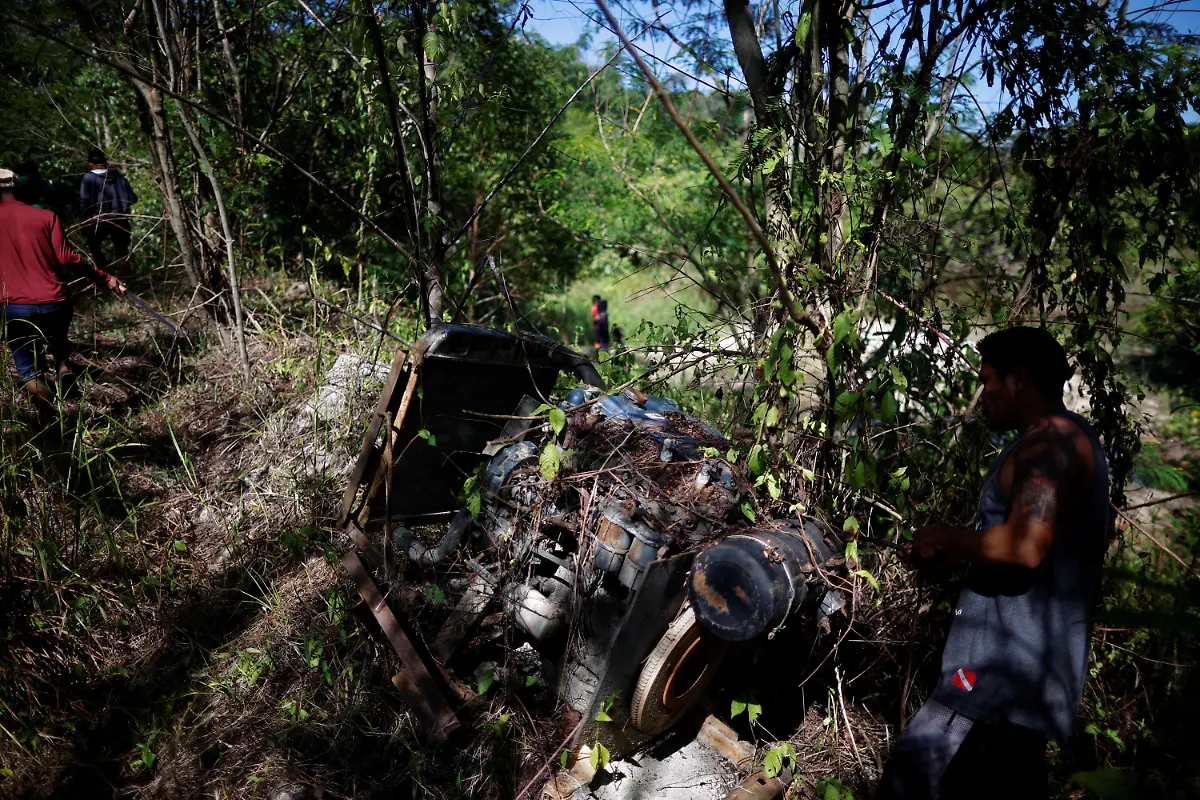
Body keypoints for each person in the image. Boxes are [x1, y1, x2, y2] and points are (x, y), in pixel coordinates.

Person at [877, 326, 1109, 800]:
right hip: (1023, 679)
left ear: (1019, 379)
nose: (982, 395)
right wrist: (950, 556)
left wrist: (947, 537)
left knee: (910, 782)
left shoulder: (1050, 443)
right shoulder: (1061, 439)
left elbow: (1026, 546)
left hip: (997, 676)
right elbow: (1026, 552)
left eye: (987, 381)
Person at [1, 167, 119, 413]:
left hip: (14, 307)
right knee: (59, 349)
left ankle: (51, 425)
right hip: (55, 301)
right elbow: (66, 258)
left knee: (30, 370)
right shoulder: (46, 217)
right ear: (18, 187)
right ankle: (67, 383)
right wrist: (103, 277)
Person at [79, 148, 137, 271]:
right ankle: (127, 279)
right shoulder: (118, 177)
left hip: (99, 220)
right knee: (122, 251)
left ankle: (105, 276)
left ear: (90, 164)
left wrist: (85, 220)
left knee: (94, 247)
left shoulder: (88, 178)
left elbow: (84, 201)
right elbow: (132, 198)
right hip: (120, 219)